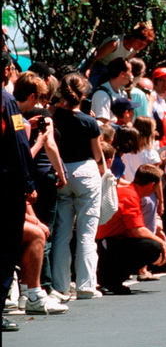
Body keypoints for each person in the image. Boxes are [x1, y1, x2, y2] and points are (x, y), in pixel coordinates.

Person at [51, 73, 106, 299]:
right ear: (83, 95)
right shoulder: (89, 121)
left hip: (62, 171)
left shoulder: (53, 116)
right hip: (86, 171)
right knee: (86, 232)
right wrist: (103, 170)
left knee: (62, 233)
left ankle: (60, 286)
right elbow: (98, 154)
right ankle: (86, 285)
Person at [14, 72, 67, 296]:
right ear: (33, 95)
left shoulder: (17, 115)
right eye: (37, 99)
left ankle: (30, 287)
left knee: (37, 230)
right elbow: (23, 157)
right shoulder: (16, 116)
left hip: (24, 181)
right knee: (41, 233)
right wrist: (41, 140)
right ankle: (40, 287)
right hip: (27, 181)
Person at [2, 51, 38, 332]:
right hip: (5, 185)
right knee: (5, 247)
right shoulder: (8, 101)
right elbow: (18, 143)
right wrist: (28, 182)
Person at [95, 164, 166, 294]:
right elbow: (138, 230)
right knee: (152, 247)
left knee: (162, 260)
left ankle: (110, 275)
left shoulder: (130, 192)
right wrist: (162, 243)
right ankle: (110, 278)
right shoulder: (130, 196)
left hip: (110, 240)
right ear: (151, 185)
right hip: (106, 242)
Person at [82, 21, 155, 89]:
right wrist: (88, 70)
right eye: (139, 42)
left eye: (144, 45)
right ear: (133, 38)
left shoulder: (133, 50)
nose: (141, 46)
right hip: (95, 66)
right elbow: (94, 57)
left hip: (109, 72)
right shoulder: (115, 44)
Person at [90, 57, 133, 125]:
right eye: (130, 72)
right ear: (122, 74)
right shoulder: (102, 94)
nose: (132, 76)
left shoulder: (123, 94)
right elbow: (102, 124)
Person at [151, 66, 166, 148]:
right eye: (161, 80)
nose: (165, 84)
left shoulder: (163, 101)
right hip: (155, 145)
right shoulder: (151, 99)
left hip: (165, 144)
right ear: (154, 81)